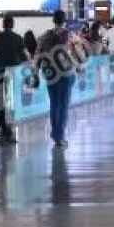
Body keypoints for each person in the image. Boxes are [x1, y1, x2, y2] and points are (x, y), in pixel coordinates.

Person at [35, 10, 80, 148]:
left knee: (54, 104)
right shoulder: (70, 35)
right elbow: (76, 53)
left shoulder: (44, 36)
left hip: (50, 73)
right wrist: (78, 66)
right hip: (66, 73)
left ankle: (56, 134)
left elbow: (38, 55)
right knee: (63, 105)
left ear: (53, 20)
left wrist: (36, 72)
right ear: (64, 20)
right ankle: (59, 136)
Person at [0, 15, 29, 144]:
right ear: (12, 25)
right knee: (12, 102)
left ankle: (3, 131)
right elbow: (25, 56)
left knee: (2, 103)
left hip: (0, 73)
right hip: (14, 74)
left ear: (3, 24)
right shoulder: (18, 38)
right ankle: (11, 132)